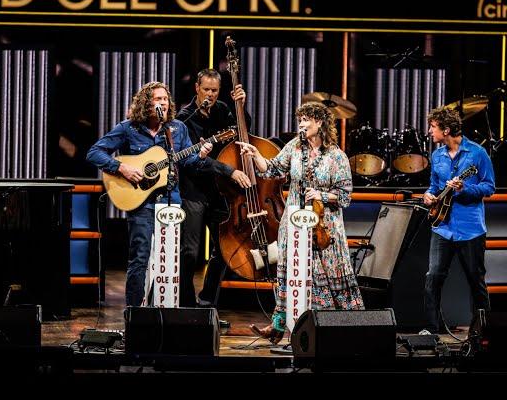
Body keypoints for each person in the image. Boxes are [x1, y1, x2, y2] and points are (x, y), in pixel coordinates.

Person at [236, 101, 364, 343]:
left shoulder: (337, 156)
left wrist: (322, 195)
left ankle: (339, 327)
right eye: (300, 120)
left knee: (324, 273)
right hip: (293, 223)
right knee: (289, 274)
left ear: (320, 123)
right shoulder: (294, 147)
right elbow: (271, 169)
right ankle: (279, 325)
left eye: (306, 119)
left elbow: (345, 196)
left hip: (323, 226)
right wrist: (256, 156)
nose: (302, 124)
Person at [86, 82, 211, 307]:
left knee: (171, 259)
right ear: (145, 103)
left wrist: (200, 155)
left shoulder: (177, 129)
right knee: (140, 258)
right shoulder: (128, 128)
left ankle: (166, 311)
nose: (162, 103)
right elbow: (94, 153)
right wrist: (120, 167)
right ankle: (134, 313)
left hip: (171, 201)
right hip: (141, 203)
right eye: (157, 99)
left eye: (165, 99)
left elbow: (188, 162)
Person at [176, 68, 252, 308]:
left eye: (215, 91)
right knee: (189, 251)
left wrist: (240, 105)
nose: (210, 94)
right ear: (197, 88)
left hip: (220, 191)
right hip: (193, 190)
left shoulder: (222, 110)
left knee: (224, 248)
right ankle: (186, 303)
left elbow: (242, 130)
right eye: (206, 90)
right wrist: (227, 170)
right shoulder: (184, 117)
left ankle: (208, 299)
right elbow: (194, 160)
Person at [421, 106, 495, 335]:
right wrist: (428, 195)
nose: (430, 132)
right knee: (433, 277)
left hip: (470, 228)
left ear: (446, 129)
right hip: (442, 227)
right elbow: (434, 186)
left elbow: (489, 186)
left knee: (475, 280)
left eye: (433, 127)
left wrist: (465, 189)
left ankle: (482, 333)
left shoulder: (477, 153)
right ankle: (431, 331)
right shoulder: (437, 155)